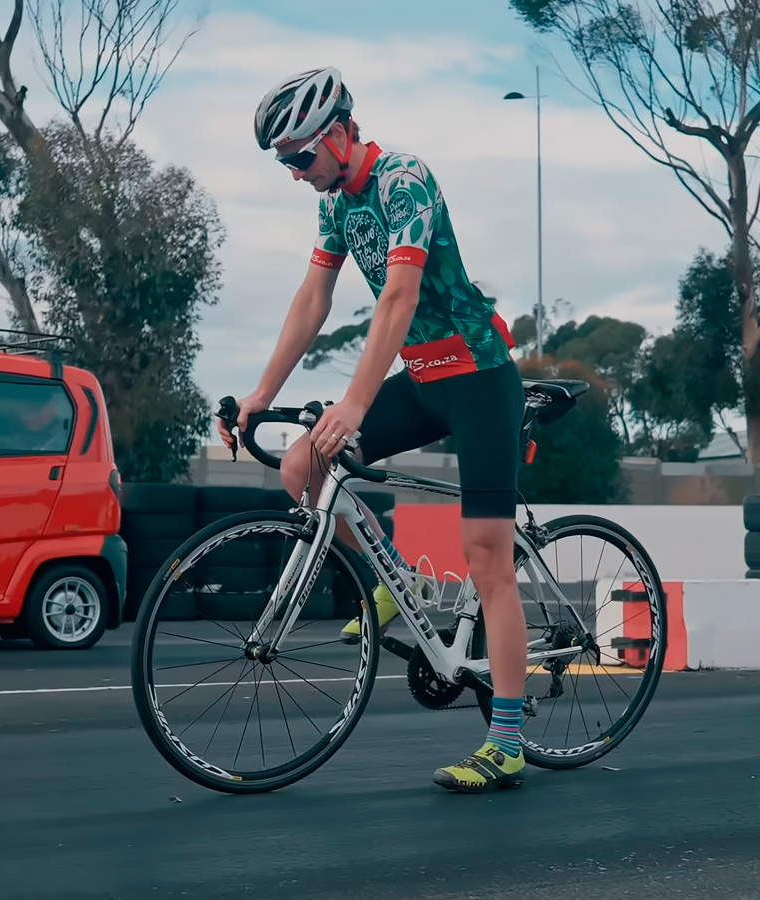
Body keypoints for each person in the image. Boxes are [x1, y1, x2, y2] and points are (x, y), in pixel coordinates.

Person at [217, 66, 530, 794]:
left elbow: (398, 295)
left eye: (299, 157)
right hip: (424, 379)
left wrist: (354, 404)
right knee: (303, 467)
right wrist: (262, 395)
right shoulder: (336, 202)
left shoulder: (404, 180)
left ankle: (508, 739)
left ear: (336, 133)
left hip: (479, 380)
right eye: (284, 164)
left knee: (486, 559)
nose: (296, 174)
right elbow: (312, 299)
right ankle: (403, 586)